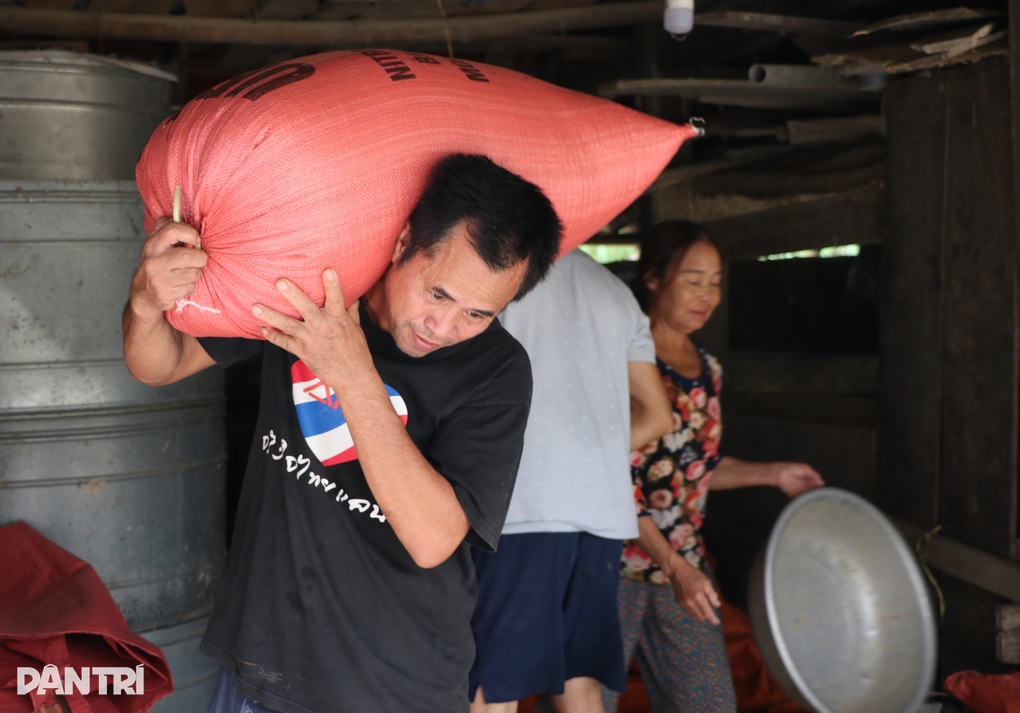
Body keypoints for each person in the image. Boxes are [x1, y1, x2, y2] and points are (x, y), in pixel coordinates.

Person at [121, 153, 563, 713]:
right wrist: (145, 302)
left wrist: (352, 375)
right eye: (439, 294)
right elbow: (160, 364)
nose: (445, 328)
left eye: (478, 315)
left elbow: (432, 540)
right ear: (404, 242)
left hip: (390, 685)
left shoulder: (496, 370)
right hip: (261, 659)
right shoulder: (314, 299)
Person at [602, 220, 825, 713]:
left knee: (708, 704)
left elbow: (694, 470)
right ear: (655, 278)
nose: (708, 295)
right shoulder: (621, 361)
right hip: (611, 565)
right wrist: (673, 565)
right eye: (693, 279)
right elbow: (609, 479)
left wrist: (773, 475)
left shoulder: (709, 368)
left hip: (682, 567)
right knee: (585, 701)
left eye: (716, 282)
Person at [469, 248, 674, 713]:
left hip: (523, 509)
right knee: (577, 683)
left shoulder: (500, 272)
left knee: (491, 684)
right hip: (601, 516)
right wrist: (587, 458)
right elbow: (658, 416)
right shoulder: (615, 292)